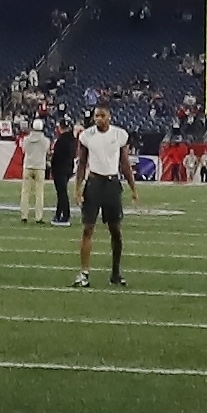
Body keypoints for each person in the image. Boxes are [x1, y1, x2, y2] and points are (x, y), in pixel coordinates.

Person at [73, 104, 130, 287]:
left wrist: (133, 187)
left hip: (112, 183)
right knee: (88, 228)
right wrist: (77, 188)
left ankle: (116, 272)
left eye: (102, 115)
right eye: (96, 116)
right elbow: (82, 163)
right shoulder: (87, 136)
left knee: (115, 231)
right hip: (94, 183)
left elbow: (125, 162)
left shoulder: (119, 135)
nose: (98, 119)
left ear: (109, 117)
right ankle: (84, 272)